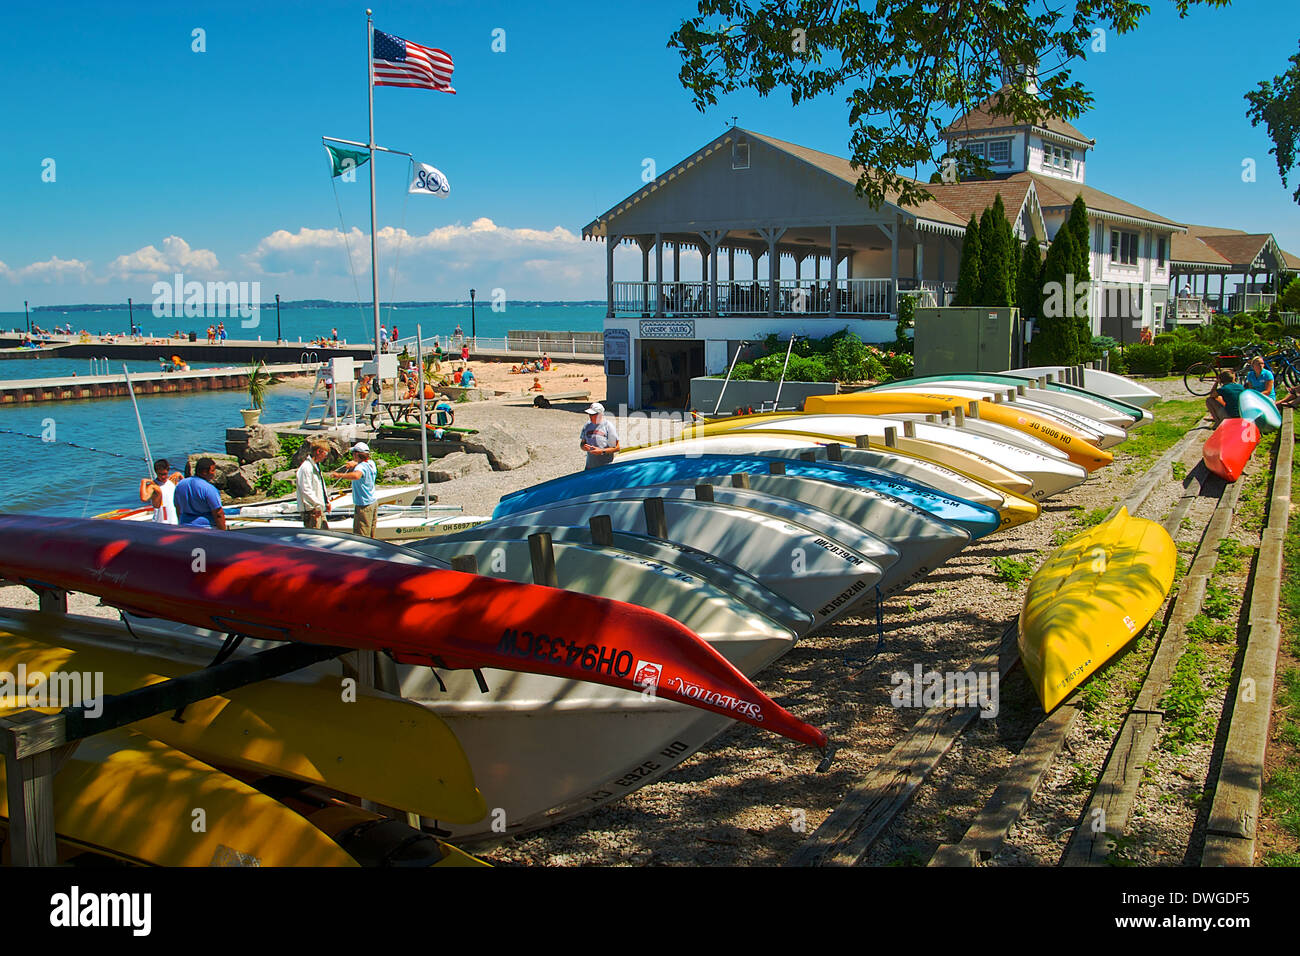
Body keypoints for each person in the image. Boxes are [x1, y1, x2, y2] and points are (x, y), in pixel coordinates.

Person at [330, 442, 377, 537]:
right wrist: (355, 463)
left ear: (356, 454)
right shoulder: (371, 463)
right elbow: (363, 463)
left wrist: (339, 475)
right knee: (371, 532)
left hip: (364, 505)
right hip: (372, 502)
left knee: (362, 534)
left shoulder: (360, 467)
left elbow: (356, 475)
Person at [174, 458, 227, 528]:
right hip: (205, 528)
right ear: (205, 472)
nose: (214, 473)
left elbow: (178, 507)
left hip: (184, 525)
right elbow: (218, 513)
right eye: (213, 470)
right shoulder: (209, 489)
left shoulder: (180, 485)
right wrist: (223, 533)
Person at [296, 441, 332, 528]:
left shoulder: (316, 466)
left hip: (318, 508)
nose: (326, 456)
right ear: (318, 451)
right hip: (311, 510)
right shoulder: (306, 468)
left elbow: (321, 487)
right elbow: (306, 490)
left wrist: (326, 502)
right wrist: (317, 505)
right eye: (325, 453)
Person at [139, 458, 180, 524]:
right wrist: (143, 482)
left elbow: (186, 488)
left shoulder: (172, 481)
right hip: (161, 521)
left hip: (174, 520)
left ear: (168, 471)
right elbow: (144, 498)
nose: (163, 477)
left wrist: (180, 475)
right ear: (156, 473)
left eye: (165, 474)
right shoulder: (153, 486)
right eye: (160, 474)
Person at [579, 402, 619, 469]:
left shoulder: (608, 426)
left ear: (600, 414)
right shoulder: (587, 426)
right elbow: (582, 443)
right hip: (589, 467)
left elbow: (617, 447)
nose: (590, 416)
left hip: (605, 468)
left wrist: (601, 451)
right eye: (589, 414)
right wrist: (584, 447)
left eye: (593, 414)